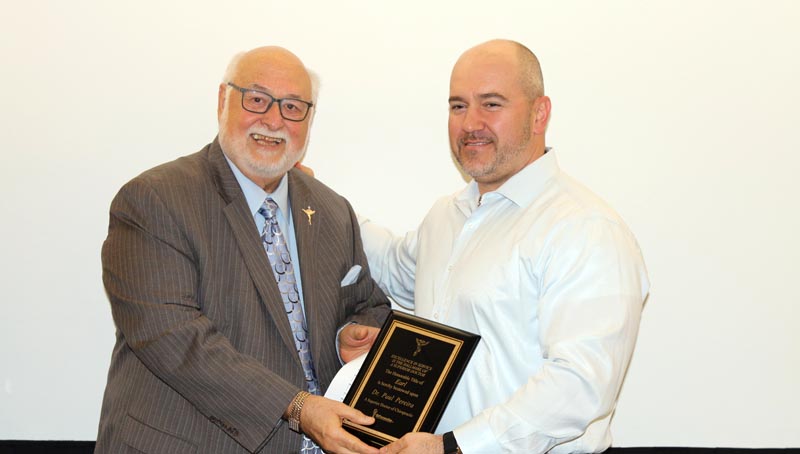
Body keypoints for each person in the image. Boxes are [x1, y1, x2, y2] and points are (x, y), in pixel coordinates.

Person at [355, 40, 650, 453]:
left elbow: (578, 386)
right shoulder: (445, 217)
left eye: (491, 104)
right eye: (458, 106)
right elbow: (390, 264)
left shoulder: (585, 228)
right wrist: (308, 195)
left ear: (539, 113)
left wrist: (452, 447)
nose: (470, 123)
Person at [95, 46, 390, 454]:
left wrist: (348, 334)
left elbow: (369, 305)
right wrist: (298, 407)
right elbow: (175, 339)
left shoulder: (331, 210)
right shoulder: (154, 200)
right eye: (257, 99)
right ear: (223, 100)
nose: (274, 120)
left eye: (292, 107)